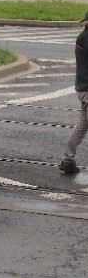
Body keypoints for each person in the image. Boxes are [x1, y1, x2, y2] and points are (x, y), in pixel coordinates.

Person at [59, 10, 88, 174]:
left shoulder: (83, 37)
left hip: (84, 88)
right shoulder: (85, 38)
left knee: (83, 126)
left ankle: (68, 160)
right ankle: (67, 159)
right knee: (82, 126)